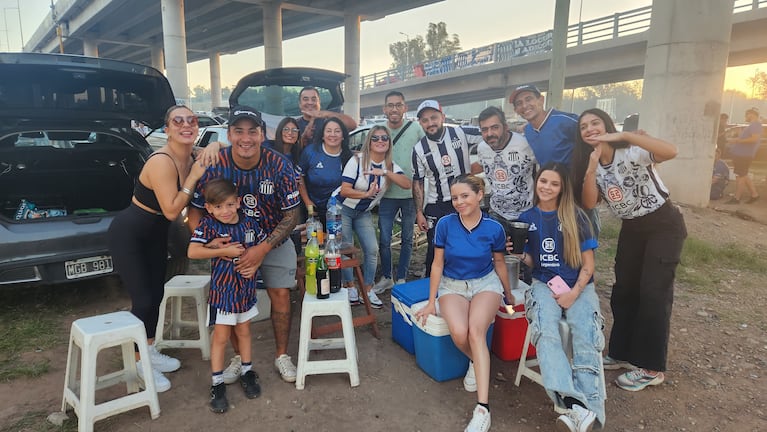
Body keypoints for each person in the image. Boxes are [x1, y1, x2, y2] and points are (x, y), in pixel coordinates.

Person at [575, 108, 687, 393]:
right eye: (584, 126)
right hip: (632, 228)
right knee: (624, 290)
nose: (589, 128)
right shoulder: (593, 163)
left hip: (663, 224)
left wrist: (625, 135)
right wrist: (590, 168)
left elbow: (671, 151)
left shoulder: (632, 151)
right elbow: (589, 202)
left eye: (595, 122)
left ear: (608, 125)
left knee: (653, 293)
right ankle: (622, 353)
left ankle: (651, 367)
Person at [192, 105, 302, 384]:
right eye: (238, 131)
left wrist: (262, 248)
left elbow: (292, 214)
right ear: (228, 134)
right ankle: (239, 359)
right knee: (230, 306)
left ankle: (281, 356)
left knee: (280, 295)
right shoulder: (215, 164)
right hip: (230, 247)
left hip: (273, 240)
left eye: (253, 131)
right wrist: (210, 242)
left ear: (263, 135)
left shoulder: (279, 164)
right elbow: (195, 209)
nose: (246, 138)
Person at [108, 105, 207, 392]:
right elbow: (171, 210)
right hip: (130, 235)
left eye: (192, 120)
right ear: (167, 129)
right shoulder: (162, 162)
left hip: (154, 237)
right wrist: (193, 177)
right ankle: (139, 365)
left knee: (157, 294)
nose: (186, 125)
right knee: (142, 300)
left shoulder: (191, 155)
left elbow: (219, 146)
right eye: (178, 121)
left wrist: (212, 148)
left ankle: (148, 350)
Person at [414, 174, 512, 432]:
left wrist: (509, 295)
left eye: (465, 196)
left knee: (476, 331)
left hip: (485, 283)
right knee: (459, 333)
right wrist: (431, 300)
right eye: (455, 197)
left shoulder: (494, 228)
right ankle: (477, 362)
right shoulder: (445, 224)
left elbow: (499, 263)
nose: (459, 202)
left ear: (480, 194)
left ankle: (482, 409)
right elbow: (437, 264)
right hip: (452, 285)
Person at [511, 163, 604, 431]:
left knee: (586, 337)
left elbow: (589, 265)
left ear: (562, 188)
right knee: (546, 333)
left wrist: (574, 293)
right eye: (543, 181)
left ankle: (589, 416)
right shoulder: (526, 217)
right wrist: (519, 254)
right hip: (543, 282)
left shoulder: (576, 217)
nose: (547, 187)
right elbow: (532, 260)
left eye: (553, 183)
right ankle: (577, 407)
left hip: (580, 286)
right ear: (536, 182)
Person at [188, 178, 266, 413]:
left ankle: (247, 372)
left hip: (245, 289)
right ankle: (217, 383)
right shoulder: (209, 226)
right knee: (221, 337)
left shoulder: (250, 223)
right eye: (219, 206)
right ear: (209, 208)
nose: (225, 211)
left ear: (238, 202)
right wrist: (222, 250)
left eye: (230, 205)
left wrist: (256, 261)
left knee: (244, 331)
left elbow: (261, 247)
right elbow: (192, 251)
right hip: (223, 292)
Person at [511, 84, 600, 238]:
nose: (525, 105)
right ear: (516, 110)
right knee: (561, 239)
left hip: (577, 192)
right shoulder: (529, 131)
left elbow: (596, 135)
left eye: (529, 99)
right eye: (519, 103)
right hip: (553, 193)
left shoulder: (565, 121)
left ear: (541, 100)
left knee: (584, 238)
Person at [337, 125, 411, 308]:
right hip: (342, 208)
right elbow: (345, 190)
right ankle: (349, 286)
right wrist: (365, 194)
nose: (380, 141)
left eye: (384, 138)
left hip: (363, 212)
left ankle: (367, 289)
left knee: (372, 249)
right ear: (369, 142)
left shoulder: (390, 166)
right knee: (346, 248)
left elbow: (406, 184)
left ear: (389, 143)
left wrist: (385, 172)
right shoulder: (357, 161)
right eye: (375, 138)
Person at [412, 99, 483, 277]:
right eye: (425, 120)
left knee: (468, 244)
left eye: (434, 117)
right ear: (420, 122)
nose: (430, 123)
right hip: (437, 204)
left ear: (442, 117)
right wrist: (419, 212)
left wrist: (485, 162)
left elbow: (492, 135)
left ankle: (467, 281)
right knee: (436, 249)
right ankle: (430, 289)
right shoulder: (419, 149)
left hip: (466, 201)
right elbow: (418, 181)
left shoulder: (461, 132)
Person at [373, 91, 426, 294]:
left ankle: (402, 277)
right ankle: (387, 276)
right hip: (386, 194)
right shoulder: (379, 130)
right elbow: (369, 152)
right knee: (384, 239)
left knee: (407, 238)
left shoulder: (415, 129)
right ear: (384, 109)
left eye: (398, 105)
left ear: (405, 108)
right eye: (390, 105)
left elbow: (427, 150)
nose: (394, 109)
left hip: (410, 193)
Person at [298, 117, 354, 226]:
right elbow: (299, 176)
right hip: (312, 207)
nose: (332, 134)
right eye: (328, 131)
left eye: (337, 131)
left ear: (343, 136)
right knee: (313, 238)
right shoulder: (311, 151)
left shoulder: (348, 157)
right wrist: (307, 202)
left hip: (337, 210)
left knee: (335, 240)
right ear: (323, 135)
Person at [725, 107, 761, 204]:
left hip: (744, 155)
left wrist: (737, 140)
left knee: (740, 176)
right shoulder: (752, 126)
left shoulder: (755, 125)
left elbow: (754, 139)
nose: (745, 117)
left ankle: (737, 198)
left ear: (752, 114)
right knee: (744, 175)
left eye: (746, 114)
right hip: (742, 154)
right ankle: (754, 195)